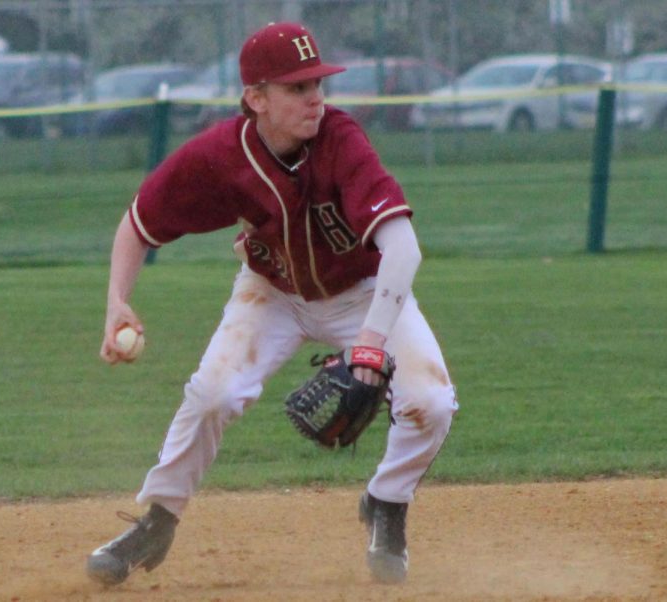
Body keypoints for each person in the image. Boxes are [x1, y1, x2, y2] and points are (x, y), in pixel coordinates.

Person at [86, 21, 458, 587]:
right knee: (213, 395)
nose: (316, 98)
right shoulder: (219, 155)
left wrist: (370, 342)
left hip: (362, 295)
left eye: (318, 84)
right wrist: (117, 301)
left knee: (431, 401)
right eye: (297, 88)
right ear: (256, 98)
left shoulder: (341, 140)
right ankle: (156, 521)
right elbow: (138, 223)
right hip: (272, 292)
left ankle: (386, 501)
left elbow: (402, 250)